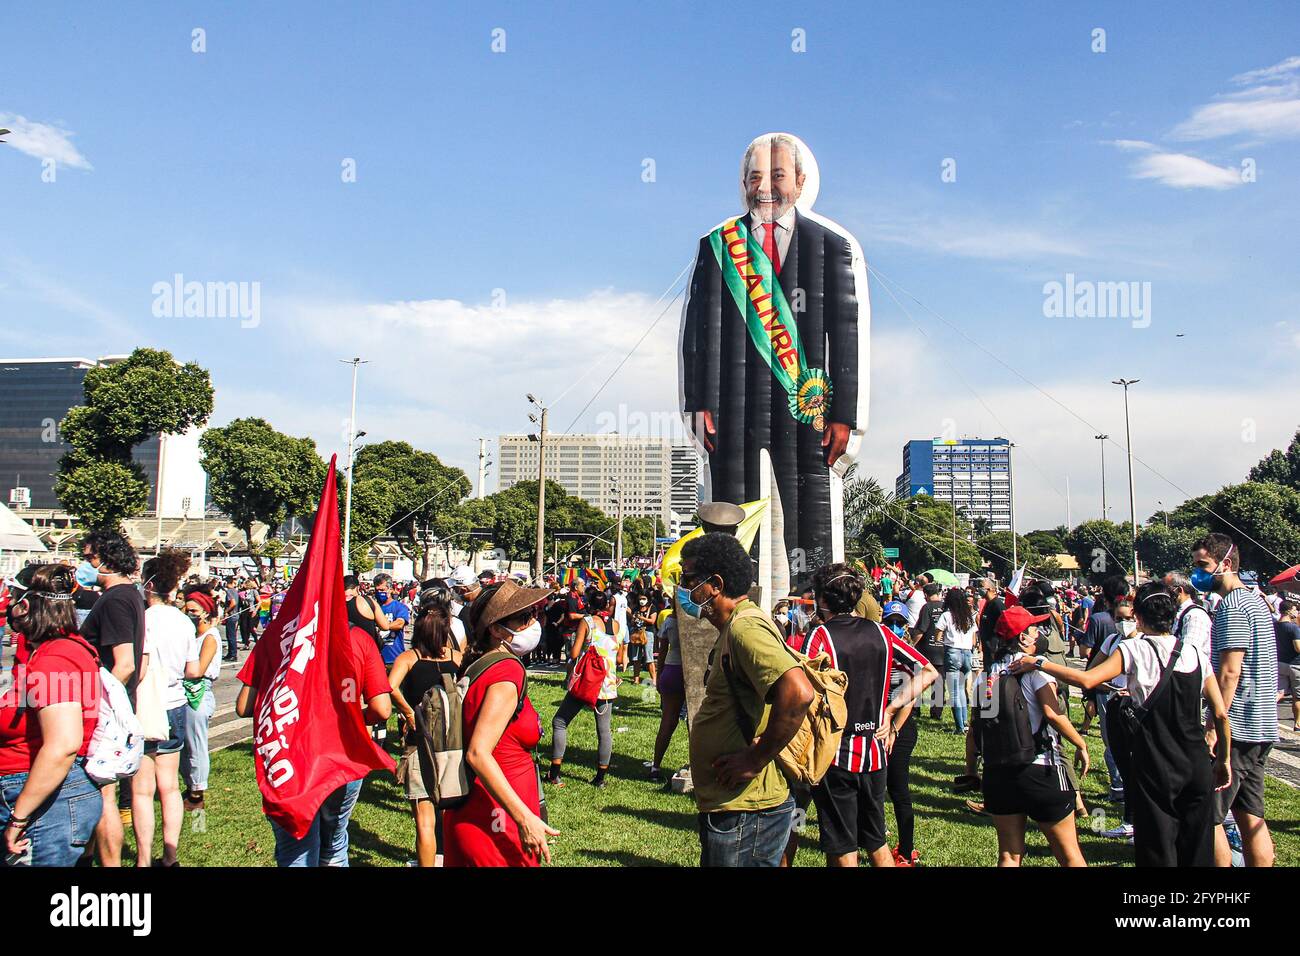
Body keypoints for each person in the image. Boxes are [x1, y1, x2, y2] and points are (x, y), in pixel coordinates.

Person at [680, 133, 868, 597]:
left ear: (801, 182)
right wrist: (699, 402)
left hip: (808, 405)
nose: (765, 187)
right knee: (732, 514)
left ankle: (814, 604)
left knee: (811, 513)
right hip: (731, 404)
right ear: (743, 183)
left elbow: (845, 336)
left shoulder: (831, 245)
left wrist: (845, 415)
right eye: (755, 177)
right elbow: (697, 333)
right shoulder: (718, 246)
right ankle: (731, 601)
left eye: (777, 175)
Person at [1013, 581, 1233, 866]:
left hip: (1156, 759)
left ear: (1139, 618)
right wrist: (1223, 759)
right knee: (1197, 842)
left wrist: (1040, 663)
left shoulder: (1133, 650)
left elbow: (1088, 679)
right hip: (1196, 760)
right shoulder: (1194, 653)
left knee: (1157, 841)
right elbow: (1220, 714)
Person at [680, 533, 815, 867]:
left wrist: (755, 759)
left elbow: (798, 692)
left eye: (688, 580)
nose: (682, 589)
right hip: (733, 807)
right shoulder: (733, 627)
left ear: (714, 584)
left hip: (747, 812)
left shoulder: (746, 628)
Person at [805, 567, 936, 867]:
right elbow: (928, 671)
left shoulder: (820, 636)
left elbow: (804, 689)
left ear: (824, 599)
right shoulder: (881, 631)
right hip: (875, 754)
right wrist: (890, 710)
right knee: (877, 842)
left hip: (836, 754)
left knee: (842, 846)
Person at [235, 620, 392, 867]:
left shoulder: (277, 635)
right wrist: (349, 719)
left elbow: (244, 705)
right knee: (334, 846)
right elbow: (382, 709)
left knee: (296, 850)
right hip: (342, 758)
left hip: (288, 757)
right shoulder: (359, 638)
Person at [443, 580, 558, 866]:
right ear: (495, 629)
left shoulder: (481, 663)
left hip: (478, 812)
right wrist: (524, 819)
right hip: (495, 820)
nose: (533, 622)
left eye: (533, 613)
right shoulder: (508, 671)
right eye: (523, 618)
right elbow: (478, 753)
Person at [0, 565, 103, 866]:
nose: (8, 605)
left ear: (26, 605)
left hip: (43, 798)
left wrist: (19, 817)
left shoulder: (54, 658)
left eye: (14, 598)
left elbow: (63, 745)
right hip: (40, 792)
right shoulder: (47, 651)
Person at [978, 605, 1089, 867]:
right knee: (1069, 853)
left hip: (998, 772)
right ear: (1022, 638)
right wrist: (1080, 742)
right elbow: (1052, 714)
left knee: (1009, 854)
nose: (1039, 632)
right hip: (1041, 768)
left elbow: (976, 731)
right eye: (1033, 629)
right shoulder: (1035, 671)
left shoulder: (986, 676)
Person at [1193, 533, 1278, 868]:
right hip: (1262, 727)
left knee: (1209, 816)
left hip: (1238, 729)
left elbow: (1229, 673)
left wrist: (1214, 728)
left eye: (1203, 565)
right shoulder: (1257, 602)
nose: (1197, 572)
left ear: (1225, 564)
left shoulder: (1232, 606)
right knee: (1250, 815)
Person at [76, 530, 145, 867]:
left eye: (89, 558)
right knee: (95, 793)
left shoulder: (117, 599)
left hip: (103, 715)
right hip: (113, 709)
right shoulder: (126, 595)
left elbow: (126, 664)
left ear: (107, 559)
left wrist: (96, 705)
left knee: (103, 795)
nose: (85, 564)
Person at [388, 594, 463, 867]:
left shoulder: (410, 658)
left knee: (424, 819)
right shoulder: (457, 659)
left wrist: (408, 712)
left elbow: (390, 686)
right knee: (452, 812)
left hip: (420, 743)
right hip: (454, 743)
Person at [133, 551, 196, 867]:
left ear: (148, 586)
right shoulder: (184, 622)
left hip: (146, 705)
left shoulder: (142, 619)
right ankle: (170, 857)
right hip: (175, 705)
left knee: (142, 790)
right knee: (170, 787)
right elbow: (193, 669)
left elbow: (139, 668)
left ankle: (143, 860)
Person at [547, 589, 620, 788]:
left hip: (587, 682)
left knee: (560, 722)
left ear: (589, 605)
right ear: (607, 605)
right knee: (604, 731)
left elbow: (574, 652)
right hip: (607, 685)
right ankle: (600, 778)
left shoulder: (586, 622)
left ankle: (554, 773)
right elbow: (620, 657)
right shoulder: (616, 625)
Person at [180, 588, 221, 812]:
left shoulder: (211, 637)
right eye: (187, 610)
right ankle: (190, 784)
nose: (190, 614)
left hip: (198, 692)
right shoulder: (191, 635)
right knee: (185, 746)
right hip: (184, 691)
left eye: (194, 610)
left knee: (196, 744)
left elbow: (199, 670)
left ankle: (197, 792)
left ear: (205, 612)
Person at [934, 587, 978, 733]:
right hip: (967, 654)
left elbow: (938, 636)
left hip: (952, 652)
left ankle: (960, 727)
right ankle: (964, 722)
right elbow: (973, 638)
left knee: (955, 692)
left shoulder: (946, 615)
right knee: (962, 691)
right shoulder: (969, 616)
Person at [650, 604, 685, 782]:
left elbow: (662, 650)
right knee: (695, 724)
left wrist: (659, 675)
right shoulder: (697, 619)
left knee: (667, 721)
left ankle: (655, 766)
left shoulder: (669, 620)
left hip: (670, 670)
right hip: (690, 670)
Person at [1164, 571, 1213, 661]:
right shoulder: (1176, 613)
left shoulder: (1195, 616)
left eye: (1166, 589)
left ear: (1179, 590)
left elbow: (1189, 655)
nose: (1163, 594)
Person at [373, 573, 410, 667]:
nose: (379, 592)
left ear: (390, 589)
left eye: (382, 590)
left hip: (394, 659)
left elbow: (400, 623)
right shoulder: (371, 607)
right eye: (377, 590)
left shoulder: (399, 607)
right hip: (375, 659)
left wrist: (383, 626)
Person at [1275, 600, 1300, 732]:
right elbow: (1298, 648)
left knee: (1279, 692)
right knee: (1297, 696)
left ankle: (1266, 713)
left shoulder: (1274, 625)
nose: (1297, 612)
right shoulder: (1293, 628)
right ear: (1289, 610)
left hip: (1279, 663)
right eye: (1295, 609)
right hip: (1295, 664)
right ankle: (1298, 723)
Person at [628, 592, 657, 685]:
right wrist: (633, 618)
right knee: (636, 658)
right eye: (640, 599)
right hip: (636, 633)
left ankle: (654, 680)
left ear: (648, 599)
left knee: (649, 658)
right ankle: (636, 679)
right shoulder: (636, 608)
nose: (642, 601)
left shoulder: (652, 608)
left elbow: (652, 621)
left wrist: (642, 618)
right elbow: (632, 622)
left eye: (644, 599)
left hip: (647, 633)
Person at [221, 578, 239, 662]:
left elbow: (233, 602)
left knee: (231, 635)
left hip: (232, 615)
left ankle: (233, 654)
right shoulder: (235, 591)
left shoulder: (230, 591)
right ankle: (230, 653)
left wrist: (226, 610)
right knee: (230, 635)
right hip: (235, 615)